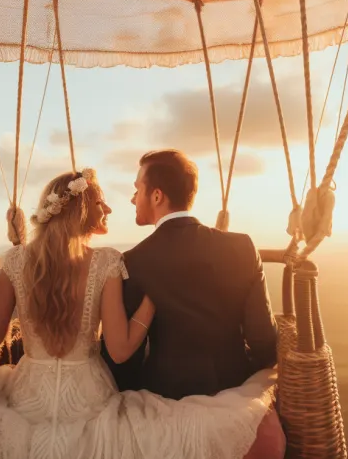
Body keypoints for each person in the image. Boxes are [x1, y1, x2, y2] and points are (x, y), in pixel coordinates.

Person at [0, 166, 282, 459]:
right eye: (101, 202)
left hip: (27, 396)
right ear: (81, 209)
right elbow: (120, 348)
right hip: (87, 398)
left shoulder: (15, 260)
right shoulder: (106, 261)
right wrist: (151, 301)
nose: (111, 208)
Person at [102, 149, 279, 399]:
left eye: (137, 189)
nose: (132, 199)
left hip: (165, 396)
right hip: (234, 388)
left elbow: (127, 362)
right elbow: (263, 342)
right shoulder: (243, 247)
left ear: (156, 196)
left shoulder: (134, 261)